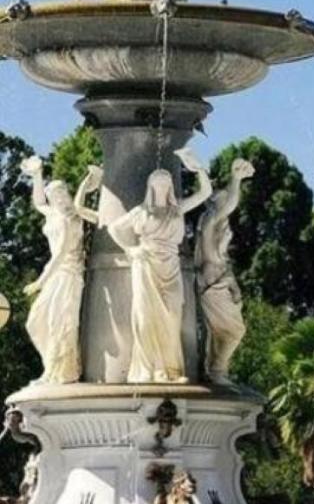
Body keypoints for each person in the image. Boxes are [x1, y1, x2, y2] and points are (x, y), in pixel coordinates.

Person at [109, 150, 212, 384]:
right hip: (145, 265)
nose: (164, 187)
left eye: (167, 184)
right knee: (145, 317)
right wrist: (130, 250)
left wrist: (198, 168)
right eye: (159, 184)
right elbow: (115, 229)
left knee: (172, 317)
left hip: (170, 266)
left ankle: (169, 369)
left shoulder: (177, 210)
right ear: (151, 187)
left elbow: (205, 193)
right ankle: (146, 368)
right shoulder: (140, 212)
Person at [19, 156, 101, 385]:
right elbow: (38, 203)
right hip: (57, 274)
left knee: (60, 323)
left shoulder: (71, 219)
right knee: (36, 321)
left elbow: (61, 254)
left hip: (67, 275)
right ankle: (51, 367)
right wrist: (37, 175)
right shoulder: (54, 214)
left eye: (63, 193)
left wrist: (39, 282)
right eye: (55, 195)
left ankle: (61, 372)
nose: (61, 198)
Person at [196, 158, 255, 384]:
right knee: (234, 332)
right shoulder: (211, 220)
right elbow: (230, 204)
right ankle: (218, 369)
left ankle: (216, 368)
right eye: (223, 199)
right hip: (214, 282)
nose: (228, 205)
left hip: (218, 280)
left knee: (221, 332)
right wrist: (236, 180)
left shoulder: (214, 223)